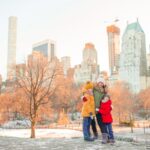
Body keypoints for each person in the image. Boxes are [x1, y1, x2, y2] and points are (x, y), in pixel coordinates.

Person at [93, 77, 108, 142]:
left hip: (101, 109)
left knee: (102, 123)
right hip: (94, 109)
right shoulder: (94, 90)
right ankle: (95, 135)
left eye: (102, 82)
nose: (100, 84)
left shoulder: (104, 91)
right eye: (99, 82)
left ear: (103, 84)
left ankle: (105, 137)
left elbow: (107, 98)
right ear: (97, 83)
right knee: (93, 122)